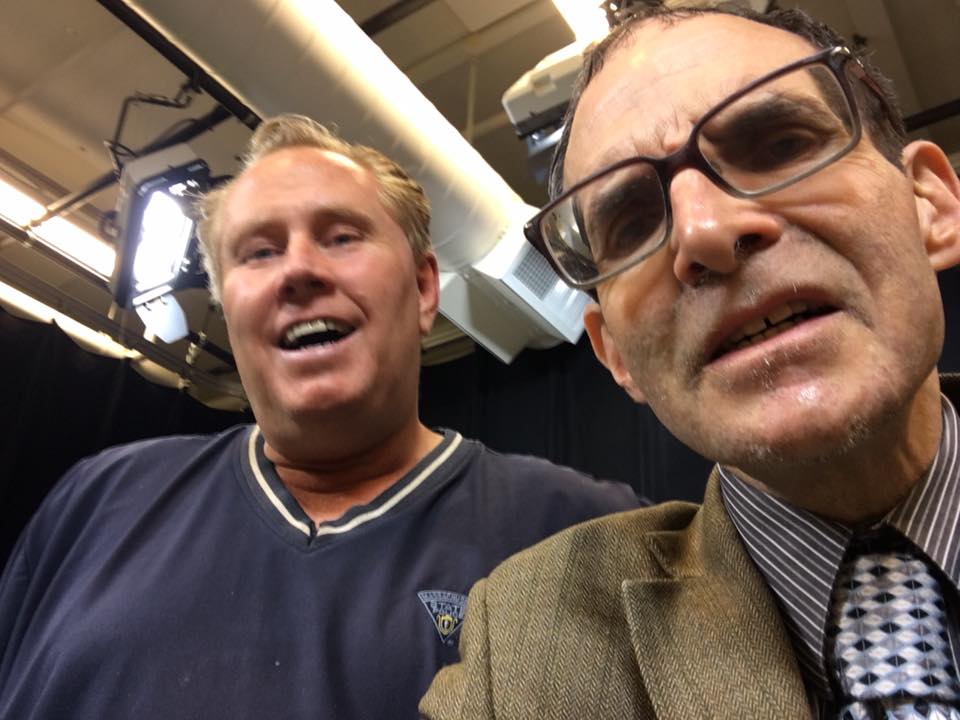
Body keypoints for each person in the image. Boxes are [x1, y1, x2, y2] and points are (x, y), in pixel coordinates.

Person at [0, 115, 638, 720]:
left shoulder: (586, 536)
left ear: (423, 289)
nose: (299, 270)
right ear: (227, 308)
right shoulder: (98, 504)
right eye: (259, 252)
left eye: (341, 237)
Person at [422, 5, 960, 718]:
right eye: (633, 222)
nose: (704, 231)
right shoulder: (523, 650)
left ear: (931, 203)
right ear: (616, 355)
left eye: (779, 145)